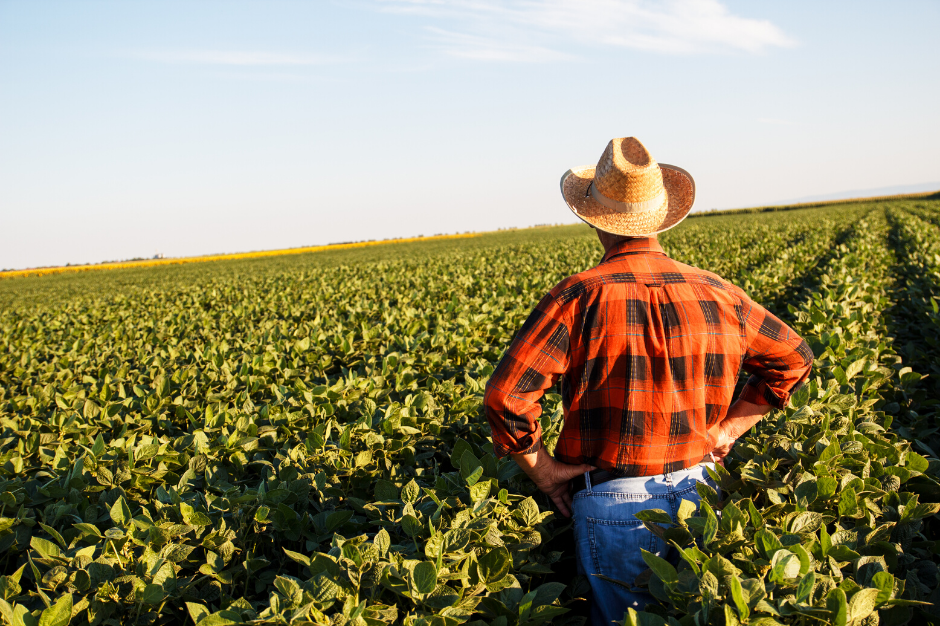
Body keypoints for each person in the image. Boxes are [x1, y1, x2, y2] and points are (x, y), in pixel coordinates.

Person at [483, 137, 813, 625]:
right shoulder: (719, 292)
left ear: (593, 218)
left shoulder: (577, 296)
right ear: (661, 216)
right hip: (701, 487)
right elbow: (795, 358)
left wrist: (544, 471)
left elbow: (507, 397)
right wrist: (726, 432)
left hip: (614, 500)